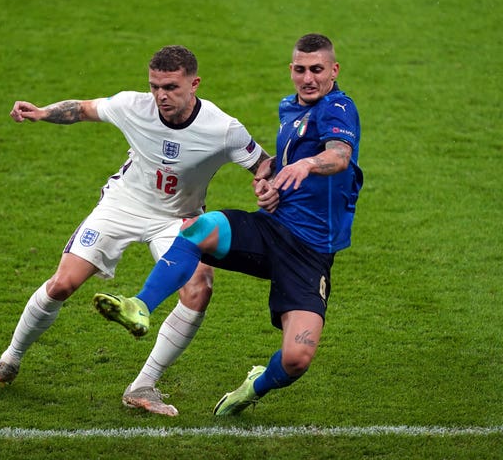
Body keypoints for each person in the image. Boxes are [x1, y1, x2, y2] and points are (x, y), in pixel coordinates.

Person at [93, 33, 363, 415]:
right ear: (291, 70)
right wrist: (270, 186)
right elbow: (284, 170)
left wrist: (307, 164)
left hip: (310, 253)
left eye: (317, 69)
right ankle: (139, 305)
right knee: (198, 230)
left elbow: (338, 156)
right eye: (300, 70)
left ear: (333, 70)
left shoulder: (338, 108)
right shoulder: (290, 107)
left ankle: (255, 385)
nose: (308, 78)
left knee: (296, 360)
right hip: (272, 230)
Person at [0, 45, 274, 417]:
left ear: (194, 84)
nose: (161, 95)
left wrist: (266, 184)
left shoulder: (222, 129)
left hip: (178, 219)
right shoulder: (133, 106)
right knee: (63, 283)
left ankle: (143, 384)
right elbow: (82, 109)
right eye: (155, 86)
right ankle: (9, 361)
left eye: (171, 87)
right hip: (122, 206)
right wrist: (42, 112)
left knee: (199, 289)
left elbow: (261, 164)